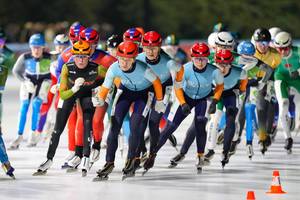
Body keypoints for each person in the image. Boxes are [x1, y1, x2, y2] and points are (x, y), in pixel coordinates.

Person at [143, 42, 223, 173]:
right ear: (192, 58)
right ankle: (152, 154)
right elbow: (178, 87)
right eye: (197, 58)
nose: (200, 62)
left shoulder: (215, 71)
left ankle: (200, 155)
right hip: (185, 98)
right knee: (170, 127)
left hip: (203, 99)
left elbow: (220, 86)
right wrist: (182, 103)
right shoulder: (185, 69)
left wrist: (215, 101)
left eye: (203, 59)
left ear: (207, 58)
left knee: (200, 124)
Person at [33, 41, 106, 176]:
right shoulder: (68, 67)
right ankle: (49, 159)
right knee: (57, 129)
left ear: (89, 56)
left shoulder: (97, 68)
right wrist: (73, 88)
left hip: (87, 96)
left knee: (87, 123)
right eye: (78, 56)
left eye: (84, 56)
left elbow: (112, 79)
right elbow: (63, 94)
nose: (81, 60)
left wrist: (101, 90)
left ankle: (86, 157)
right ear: (73, 56)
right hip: (70, 94)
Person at [93, 41, 163, 181]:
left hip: (144, 94)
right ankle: (109, 162)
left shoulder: (144, 69)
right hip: (126, 92)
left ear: (134, 59)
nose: (123, 63)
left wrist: (160, 101)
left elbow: (156, 83)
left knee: (134, 126)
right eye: (121, 59)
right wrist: (100, 98)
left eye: (127, 60)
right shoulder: (113, 68)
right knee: (114, 126)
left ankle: (131, 159)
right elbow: (106, 87)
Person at [204, 49, 248, 168]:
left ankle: (225, 151)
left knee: (230, 120)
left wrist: (242, 89)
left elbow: (245, 77)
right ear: (215, 63)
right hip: (217, 94)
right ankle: (210, 150)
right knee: (214, 119)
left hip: (231, 95)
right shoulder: (210, 70)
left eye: (226, 65)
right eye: (220, 65)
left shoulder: (239, 72)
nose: (222, 69)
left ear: (231, 64)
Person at [10, 33, 51, 149]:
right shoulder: (24, 57)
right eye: (34, 47)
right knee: (24, 106)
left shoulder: (50, 57)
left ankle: (33, 135)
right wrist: (24, 81)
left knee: (36, 105)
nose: (36, 50)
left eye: (39, 47)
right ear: (30, 47)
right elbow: (16, 71)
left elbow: (58, 67)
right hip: (29, 80)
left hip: (44, 81)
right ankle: (19, 135)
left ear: (43, 47)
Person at [252, 28, 281, 154]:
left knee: (270, 103)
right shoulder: (251, 53)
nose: (263, 46)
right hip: (255, 82)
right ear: (255, 43)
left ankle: (268, 131)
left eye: (266, 43)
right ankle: (262, 136)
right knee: (260, 107)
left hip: (271, 81)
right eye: (260, 43)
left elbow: (281, 72)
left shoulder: (276, 54)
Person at [35, 34, 70, 142]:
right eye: (58, 46)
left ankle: (52, 127)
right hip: (50, 82)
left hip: (62, 83)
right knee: (45, 105)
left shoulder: (70, 55)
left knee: (58, 106)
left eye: (64, 46)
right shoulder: (50, 55)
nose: (61, 48)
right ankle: (38, 131)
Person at [273, 31, 300, 154]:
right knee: (283, 104)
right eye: (280, 49)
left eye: (286, 48)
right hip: (281, 78)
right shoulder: (273, 54)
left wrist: (298, 71)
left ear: (290, 45)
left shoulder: (297, 51)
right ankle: (287, 138)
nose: (283, 52)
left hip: (296, 78)